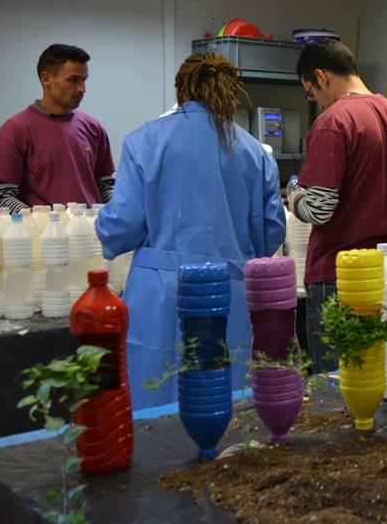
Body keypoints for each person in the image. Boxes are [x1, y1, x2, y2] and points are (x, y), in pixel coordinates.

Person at [95, 53, 286, 409]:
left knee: (157, 399)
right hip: (229, 294)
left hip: (161, 297)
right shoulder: (254, 152)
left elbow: (123, 224)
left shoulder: (144, 141)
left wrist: (100, 223)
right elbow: (269, 234)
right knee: (224, 398)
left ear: (180, 91)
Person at [289, 41, 387, 373]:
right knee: (384, 377)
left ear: (321, 76)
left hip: (340, 274)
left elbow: (320, 211)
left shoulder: (333, 122)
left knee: (337, 387)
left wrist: (294, 198)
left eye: (311, 92)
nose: (316, 102)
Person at [0, 44, 115, 211]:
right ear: (47, 79)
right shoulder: (14, 130)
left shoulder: (94, 127)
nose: (82, 89)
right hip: (42, 234)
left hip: (91, 232)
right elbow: (1, 197)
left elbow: (105, 185)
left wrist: (120, 208)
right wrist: (42, 220)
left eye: (84, 80)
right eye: (73, 80)